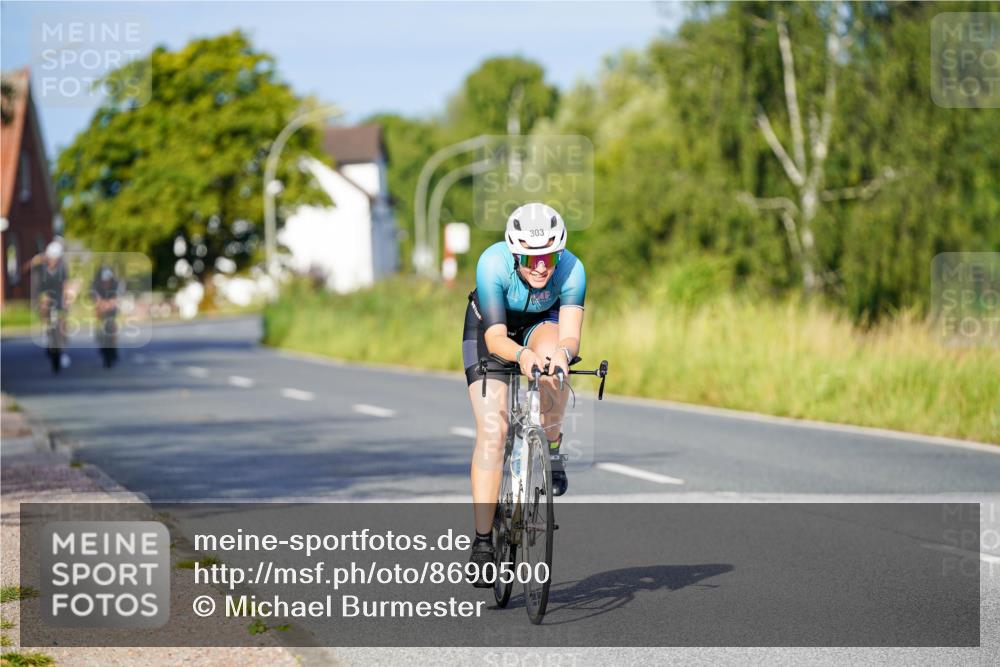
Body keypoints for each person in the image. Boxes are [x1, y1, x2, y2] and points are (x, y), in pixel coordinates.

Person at [462, 202, 586, 584]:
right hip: (492, 332)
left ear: (559, 252)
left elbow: (569, 335)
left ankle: (550, 445)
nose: (540, 267)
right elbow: (497, 338)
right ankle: (483, 542)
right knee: (493, 433)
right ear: (515, 253)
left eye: (548, 256)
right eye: (530, 258)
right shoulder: (492, 264)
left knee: (554, 366)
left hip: (540, 326)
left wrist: (562, 356)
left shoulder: (573, 270)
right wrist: (523, 356)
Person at [31, 240, 70, 369]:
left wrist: (66, 299)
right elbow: (37, 287)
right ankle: (45, 328)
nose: (53, 261)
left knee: (62, 319)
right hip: (45, 297)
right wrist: (41, 299)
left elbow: (65, 285)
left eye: (55, 258)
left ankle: (62, 339)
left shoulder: (62, 269)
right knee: (44, 307)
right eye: (51, 258)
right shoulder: (41, 270)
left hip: (58, 299)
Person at [91, 265, 123, 367]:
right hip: (101, 306)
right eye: (104, 280)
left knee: (112, 325)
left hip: (111, 307)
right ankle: (99, 336)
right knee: (99, 318)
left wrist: (109, 304)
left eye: (108, 280)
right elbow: (96, 298)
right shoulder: (96, 285)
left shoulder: (115, 284)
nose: (106, 282)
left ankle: (113, 346)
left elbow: (116, 298)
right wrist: (100, 305)